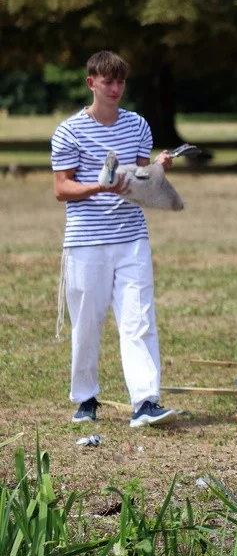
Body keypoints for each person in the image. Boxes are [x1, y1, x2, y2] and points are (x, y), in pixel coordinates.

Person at [52, 50, 182, 428]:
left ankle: (145, 402)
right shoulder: (69, 130)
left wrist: (158, 167)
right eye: (108, 82)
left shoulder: (138, 126)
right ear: (91, 82)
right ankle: (86, 398)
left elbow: (142, 181)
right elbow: (62, 188)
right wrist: (100, 185)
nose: (115, 89)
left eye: (121, 82)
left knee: (139, 319)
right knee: (87, 323)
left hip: (131, 237)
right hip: (86, 241)